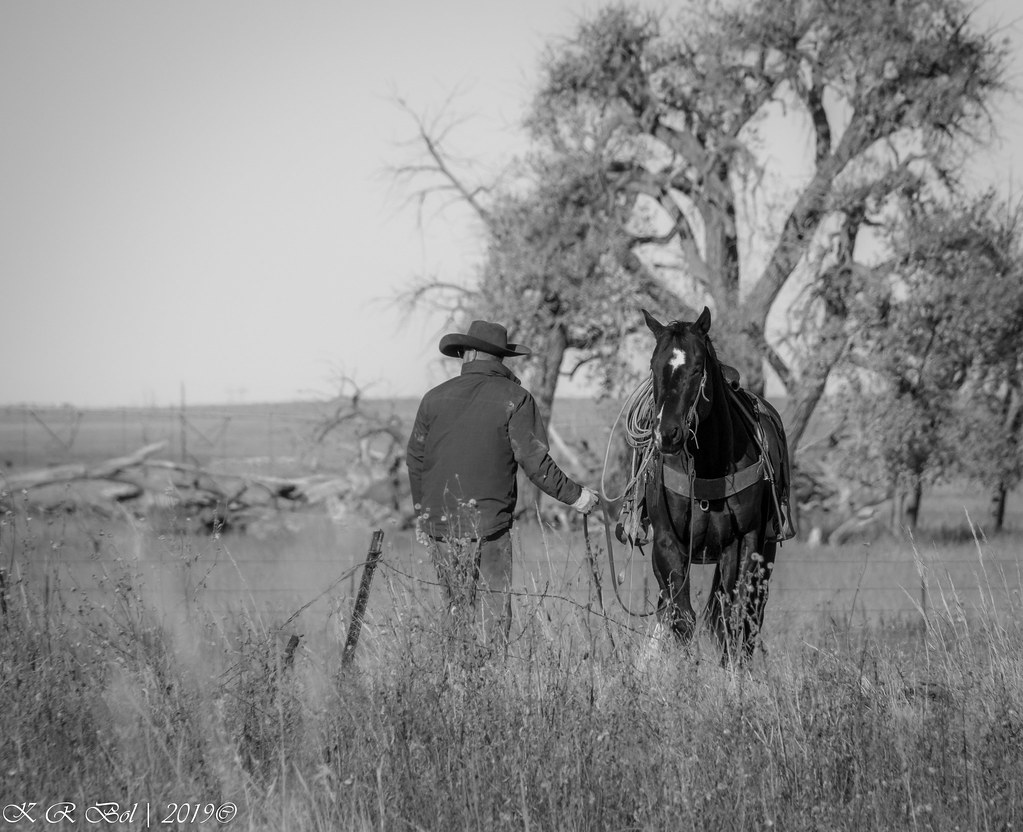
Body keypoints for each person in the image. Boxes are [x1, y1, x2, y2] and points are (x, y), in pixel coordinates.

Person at [406, 319, 599, 643]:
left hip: (440, 527)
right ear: (501, 358)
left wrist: (422, 515)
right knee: (492, 619)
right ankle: (489, 672)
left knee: (455, 611)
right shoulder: (516, 398)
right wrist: (577, 497)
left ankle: (454, 672)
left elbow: (416, 460)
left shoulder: (433, 398)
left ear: (469, 354)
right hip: (489, 528)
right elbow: (535, 463)